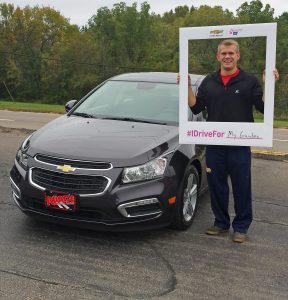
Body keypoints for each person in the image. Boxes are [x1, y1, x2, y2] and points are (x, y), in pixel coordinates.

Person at [186, 39, 279, 243]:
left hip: (239, 146)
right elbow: (196, 108)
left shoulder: (249, 81)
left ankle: (241, 227)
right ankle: (220, 223)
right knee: (216, 185)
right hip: (215, 146)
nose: (227, 56)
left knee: (241, 186)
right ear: (218, 56)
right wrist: (186, 87)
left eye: (231, 53)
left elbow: (264, 109)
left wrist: (269, 85)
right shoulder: (209, 82)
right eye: (223, 53)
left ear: (237, 56)